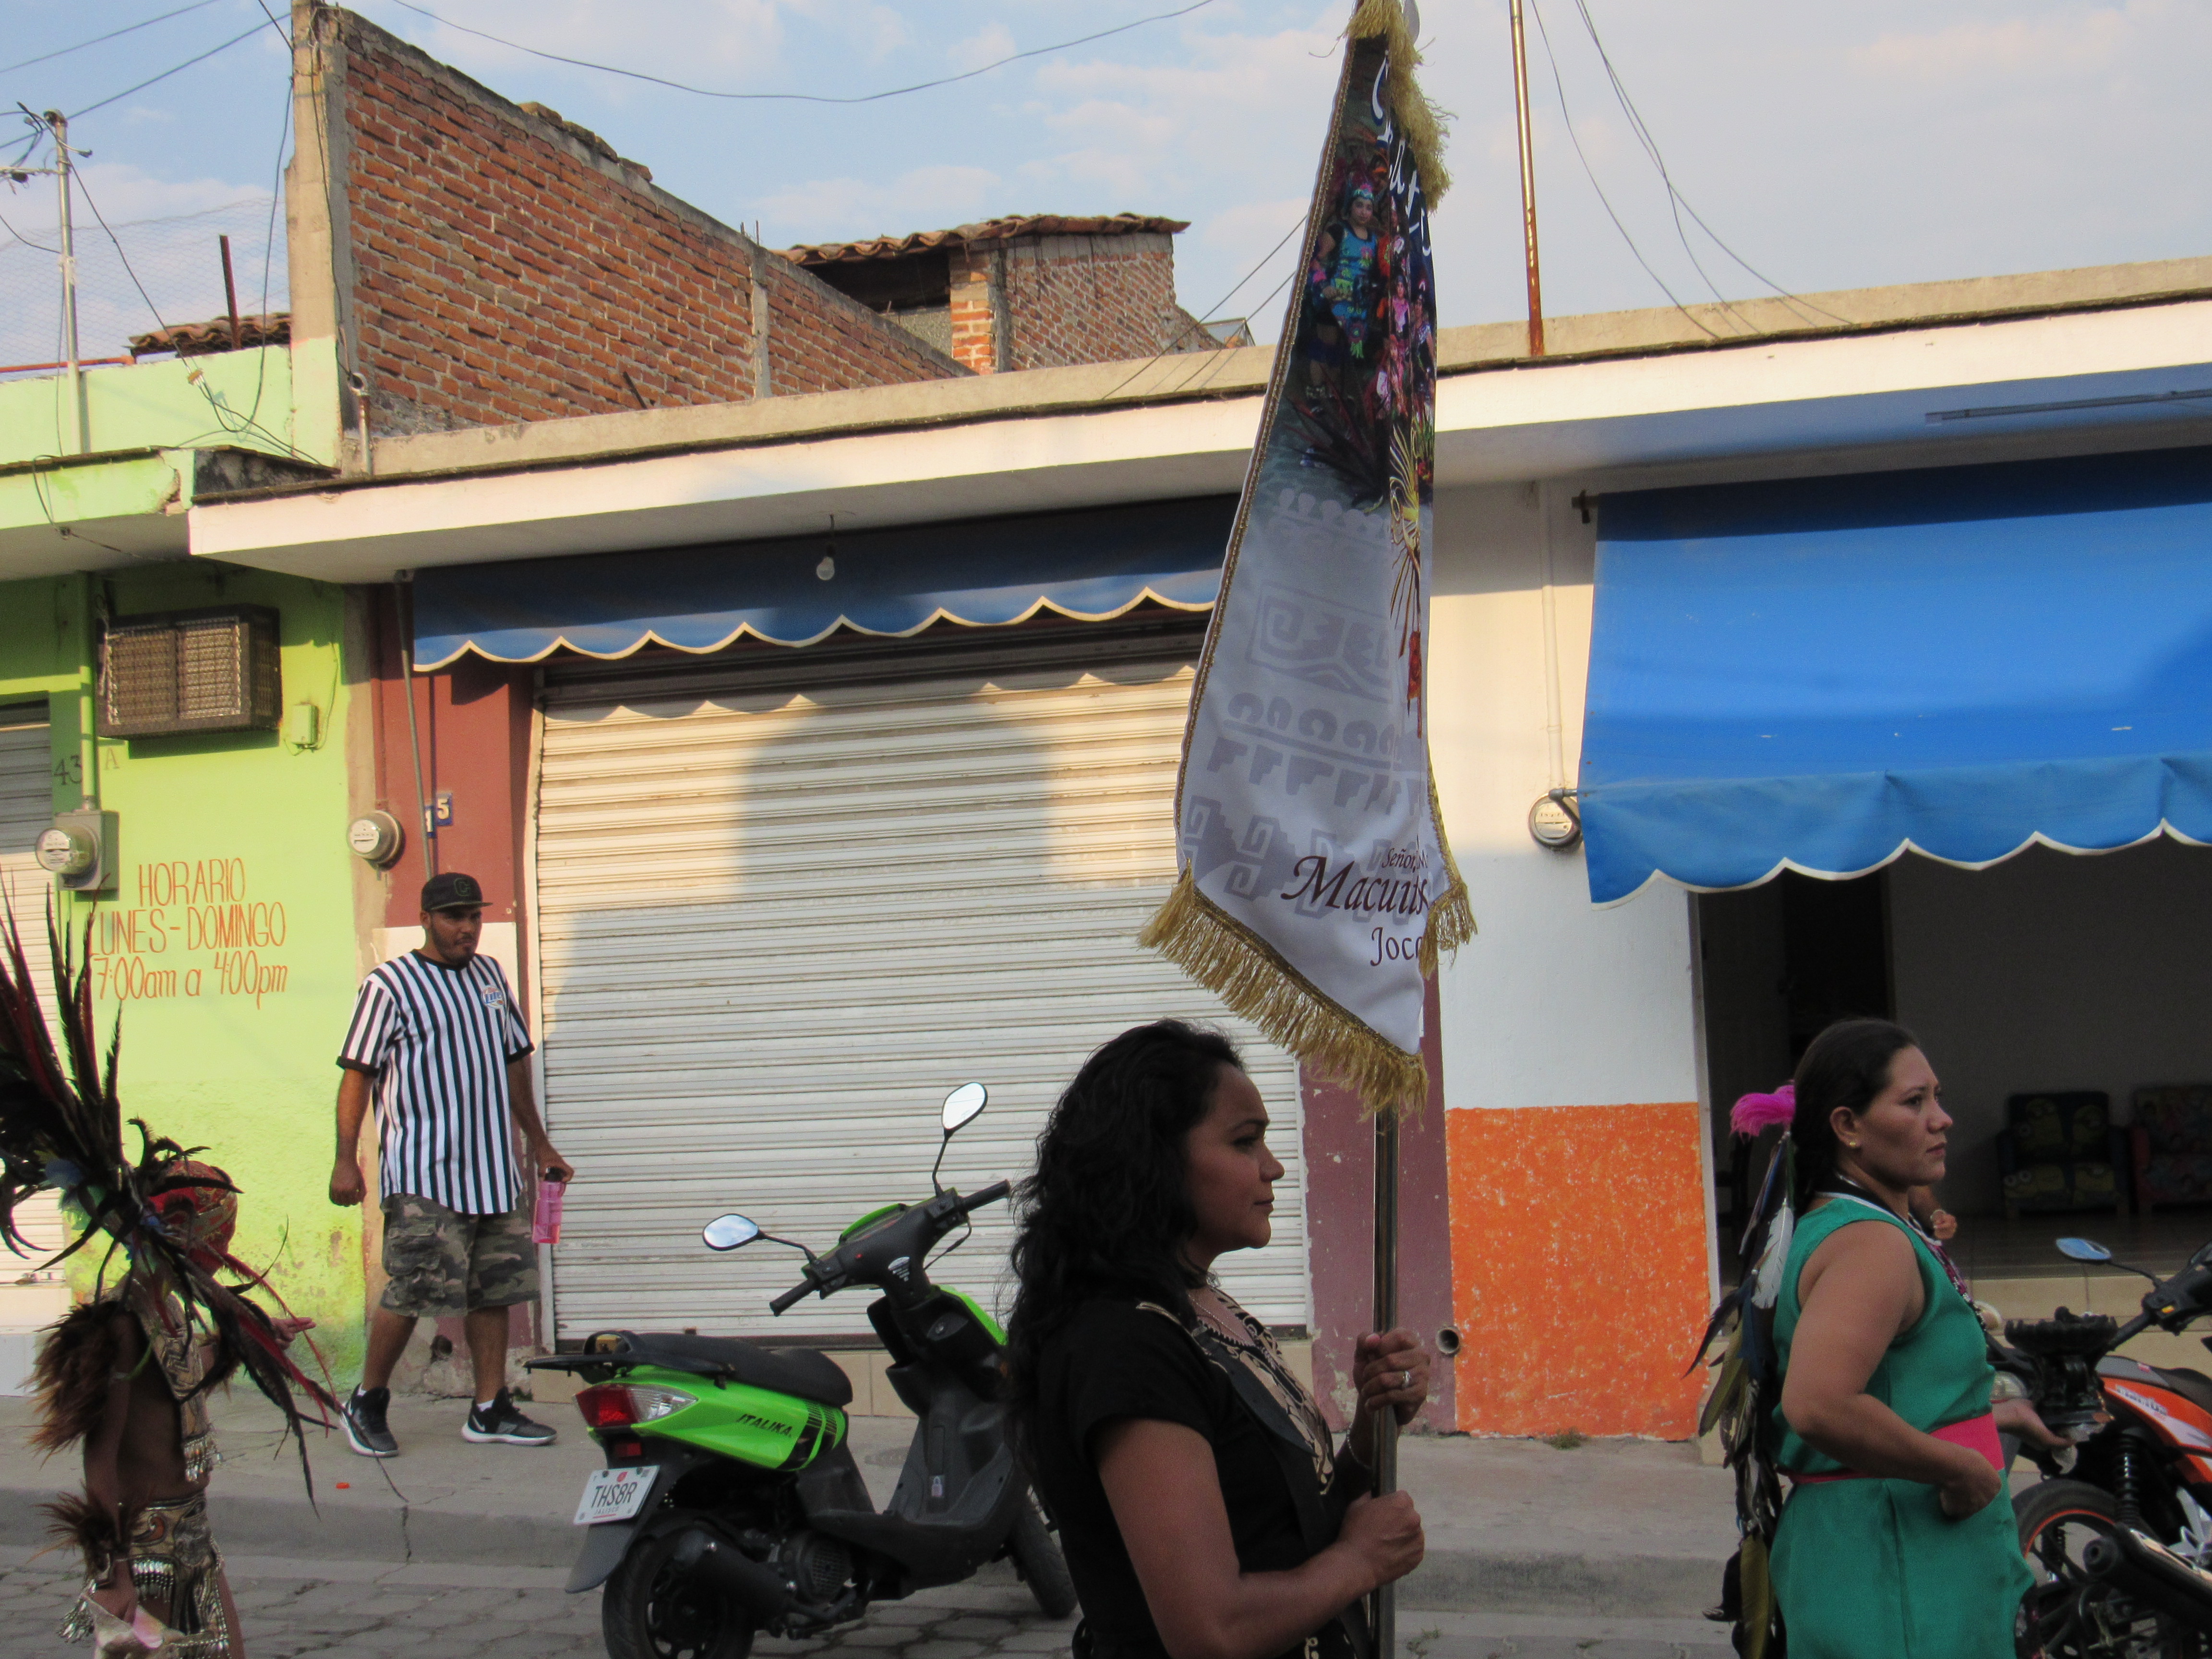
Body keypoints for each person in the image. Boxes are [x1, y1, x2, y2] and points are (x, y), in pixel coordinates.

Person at [1006, 1021, 1429, 1659]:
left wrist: (1372, 1429)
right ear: (1153, 1158)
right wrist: (1360, 1562)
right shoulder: (1125, 1348)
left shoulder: (1200, 1306)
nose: (1273, 1167)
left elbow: (1284, 1525)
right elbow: (1212, 1631)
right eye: (1244, 1141)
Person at [1766, 1020, 2054, 1657]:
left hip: (1888, 1556)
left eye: (1937, 1097)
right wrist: (1960, 1468)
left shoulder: (1851, 1226)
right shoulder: (1871, 1245)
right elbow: (1820, 1405)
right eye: (1914, 1101)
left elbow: (1890, 1388)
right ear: (1848, 1126)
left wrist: (1993, 1419)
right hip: (1896, 1563)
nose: (1941, 1119)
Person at [329, 870, 573, 1456]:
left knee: (494, 1289)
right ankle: (367, 1401)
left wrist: (540, 1145)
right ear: (426, 920)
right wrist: (344, 1159)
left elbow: (514, 1061)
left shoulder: (490, 977)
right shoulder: (389, 986)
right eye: (454, 917)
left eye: (474, 917)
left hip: (493, 1172)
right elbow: (357, 1075)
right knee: (414, 1289)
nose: (468, 928)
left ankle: (489, 1408)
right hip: (425, 1175)